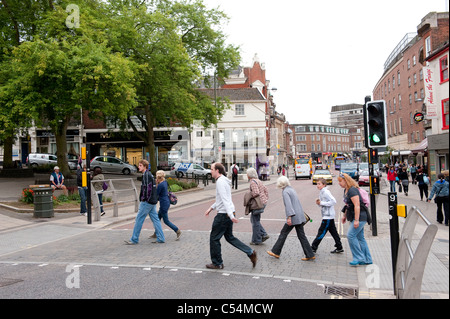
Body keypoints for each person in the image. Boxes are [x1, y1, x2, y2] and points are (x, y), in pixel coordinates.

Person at [204, 162, 257, 269]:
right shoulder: (224, 180)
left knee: (214, 238)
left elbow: (225, 199)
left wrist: (230, 216)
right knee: (230, 237)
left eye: (212, 169)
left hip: (223, 214)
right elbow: (222, 199)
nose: (211, 171)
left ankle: (217, 263)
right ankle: (250, 252)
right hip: (228, 212)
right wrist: (212, 207)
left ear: (217, 171)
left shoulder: (220, 182)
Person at [267, 176, 315, 261]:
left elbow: (289, 206)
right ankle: (310, 254)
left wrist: (289, 217)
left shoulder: (285, 192)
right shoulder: (291, 189)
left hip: (293, 217)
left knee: (283, 233)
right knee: (301, 236)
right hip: (299, 215)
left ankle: (276, 251)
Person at [125, 160, 165, 245]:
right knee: (155, 220)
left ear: (144, 166)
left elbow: (148, 189)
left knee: (139, 219)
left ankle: (134, 239)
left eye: (140, 165)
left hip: (147, 202)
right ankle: (161, 238)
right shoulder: (149, 174)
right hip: (152, 201)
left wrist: (144, 199)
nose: (138, 167)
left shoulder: (146, 175)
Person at [338, 173, 372, 266]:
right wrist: (344, 216)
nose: (339, 183)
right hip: (355, 216)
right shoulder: (346, 190)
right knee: (360, 238)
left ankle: (358, 257)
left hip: (360, 216)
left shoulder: (352, 190)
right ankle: (367, 259)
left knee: (350, 235)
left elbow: (357, 205)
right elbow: (348, 205)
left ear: (346, 180)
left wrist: (356, 220)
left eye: (340, 181)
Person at [311, 178, 343, 254]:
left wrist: (322, 203)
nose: (317, 185)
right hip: (327, 215)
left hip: (328, 216)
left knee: (321, 232)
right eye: (317, 184)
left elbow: (333, 201)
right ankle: (339, 247)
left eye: (319, 184)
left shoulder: (326, 192)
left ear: (324, 185)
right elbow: (323, 204)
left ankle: (313, 248)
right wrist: (319, 203)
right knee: (334, 232)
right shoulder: (321, 192)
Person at [150, 170, 181, 240]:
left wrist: (156, 185)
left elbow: (156, 194)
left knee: (166, 221)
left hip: (164, 204)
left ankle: (177, 231)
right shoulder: (165, 182)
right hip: (165, 202)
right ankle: (156, 233)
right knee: (157, 219)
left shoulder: (160, 185)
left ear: (158, 177)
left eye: (156, 176)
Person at [246, 167, 269, 245]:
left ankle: (257, 239)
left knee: (255, 221)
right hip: (262, 203)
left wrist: (249, 195)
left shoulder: (252, 182)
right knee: (255, 220)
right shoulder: (259, 181)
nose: (246, 175)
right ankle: (263, 234)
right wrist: (265, 199)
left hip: (257, 204)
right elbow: (266, 190)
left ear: (249, 175)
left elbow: (256, 192)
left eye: (247, 174)